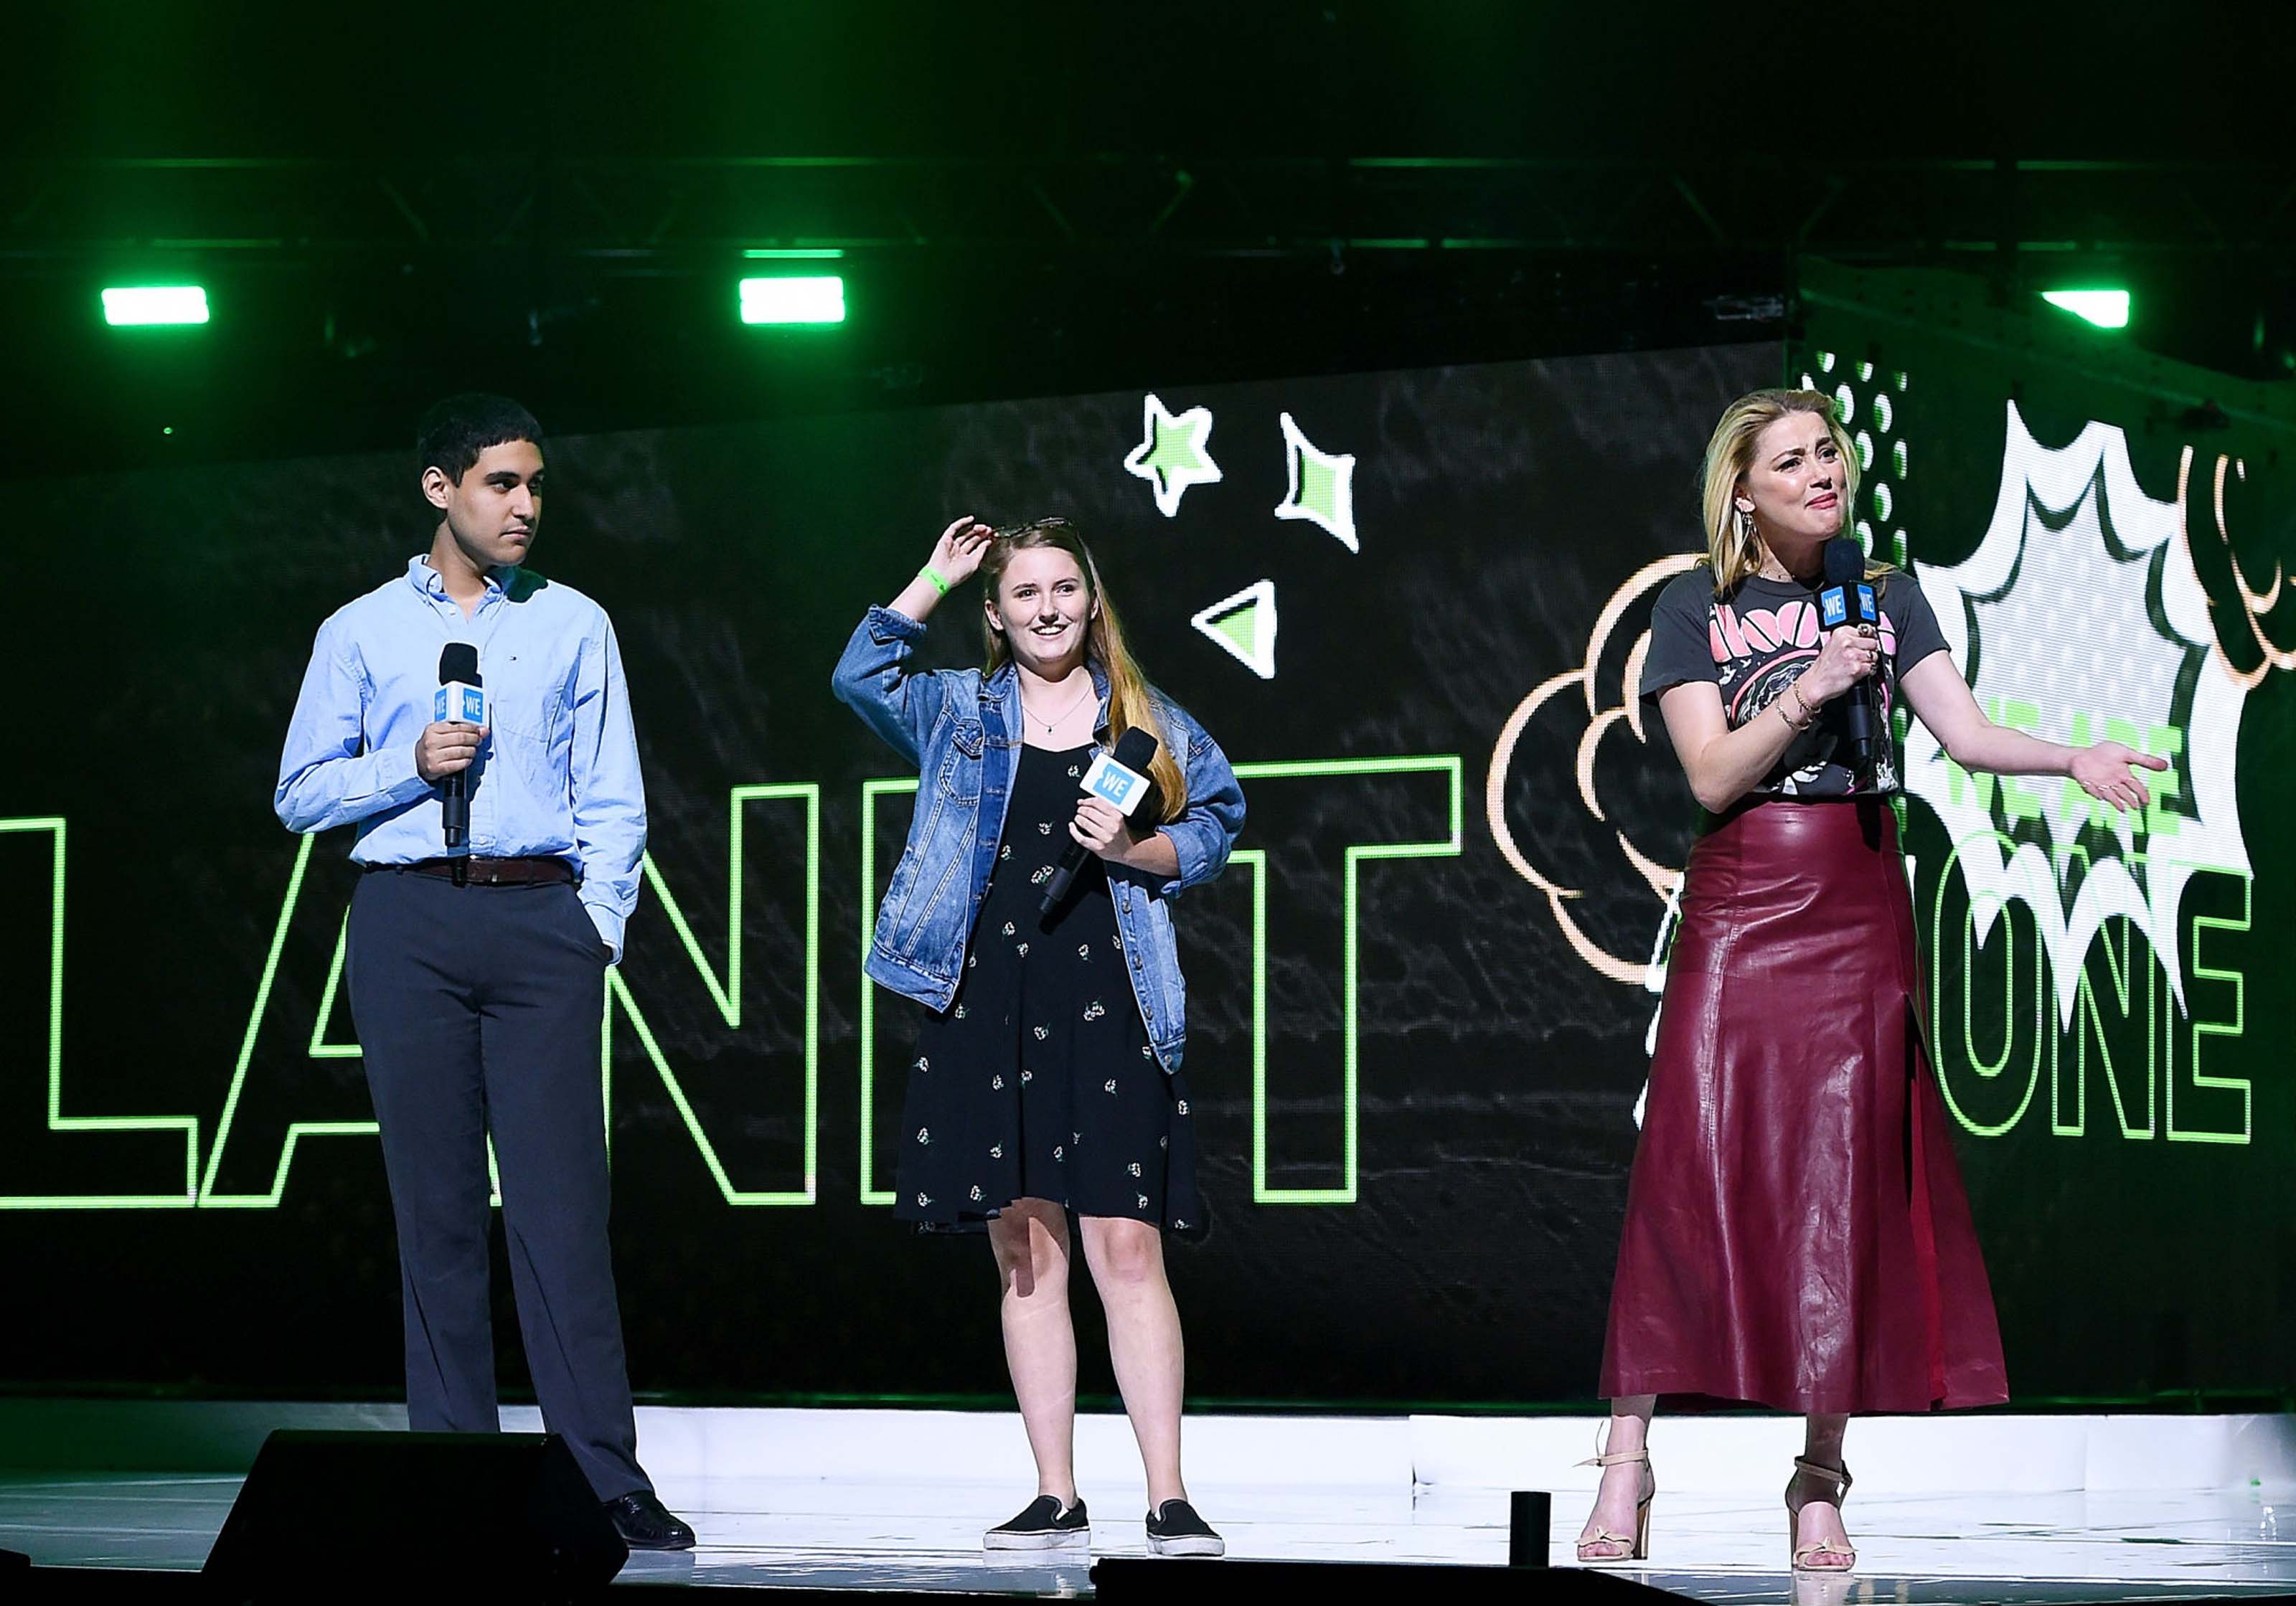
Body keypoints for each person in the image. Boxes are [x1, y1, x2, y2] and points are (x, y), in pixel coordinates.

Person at [1575, 389, 2167, 1573]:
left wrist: (2072, 758)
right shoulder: (1698, 604)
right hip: (1746, 890)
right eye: (1790, 461)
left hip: (1855, 889)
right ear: (1742, 489)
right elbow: (1704, 775)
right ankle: (1628, 1454)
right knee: (1691, 1160)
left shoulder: (1886, 593)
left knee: (1842, 1175)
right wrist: (1808, 689)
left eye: (1829, 452)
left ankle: (1818, 1473)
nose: (1820, 473)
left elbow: (1964, 731)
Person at [274, 393, 693, 1551]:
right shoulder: (359, 631)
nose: (525, 505)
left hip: (538, 925)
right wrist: (404, 766)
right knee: (438, 1217)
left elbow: (614, 796)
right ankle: (453, 1476)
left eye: (536, 485)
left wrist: (595, 927)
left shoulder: (573, 623)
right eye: (502, 483)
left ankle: (607, 1480)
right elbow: (300, 791)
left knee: (563, 1213)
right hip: (407, 921)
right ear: (439, 488)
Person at [832, 516, 1246, 1559]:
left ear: (1092, 602)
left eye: (1065, 588)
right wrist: (933, 572)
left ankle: (1169, 1497)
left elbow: (1219, 819)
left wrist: (1142, 844)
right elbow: (860, 672)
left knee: (1126, 1243)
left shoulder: (1142, 721)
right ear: (996, 611)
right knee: (1024, 1249)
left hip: (1109, 994)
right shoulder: (956, 710)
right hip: (987, 998)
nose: (1049, 608)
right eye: (1025, 593)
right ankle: (1056, 1493)